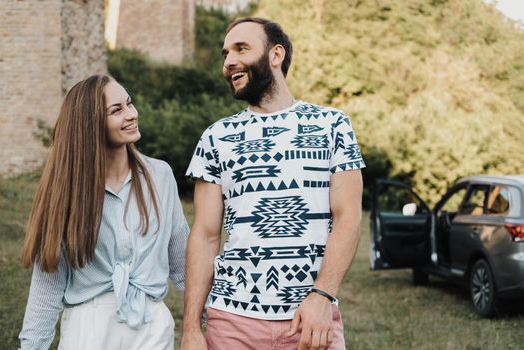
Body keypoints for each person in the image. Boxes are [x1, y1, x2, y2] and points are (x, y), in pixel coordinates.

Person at [182, 17, 365, 350]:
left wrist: (322, 296)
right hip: (231, 322)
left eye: (241, 49)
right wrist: (192, 328)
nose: (228, 62)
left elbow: (348, 219)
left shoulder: (332, 125)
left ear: (276, 55)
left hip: (312, 321)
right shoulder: (216, 137)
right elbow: (205, 235)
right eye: (225, 54)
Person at [19, 74, 189, 350]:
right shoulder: (66, 190)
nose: (131, 114)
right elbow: (47, 287)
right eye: (117, 110)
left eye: (129, 103)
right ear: (91, 124)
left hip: (152, 326)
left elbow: (183, 262)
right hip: (88, 329)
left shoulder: (160, 175)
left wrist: (209, 321)